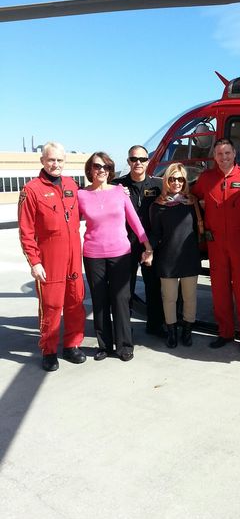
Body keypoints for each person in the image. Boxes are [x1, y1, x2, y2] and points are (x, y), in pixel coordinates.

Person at [78, 152, 153, 362]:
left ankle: (125, 345)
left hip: (120, 253)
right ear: (90, 170)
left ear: (110, 171)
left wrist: (147, 244)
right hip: (93, 254)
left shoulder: (120, 192)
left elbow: (135, 221)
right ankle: (105, 346)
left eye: (106, 167)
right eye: (97, 166)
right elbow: (70, 222)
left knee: (121, 299)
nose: (101, 170)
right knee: (100, 300)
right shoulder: (81, 195)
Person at [18, 141, 86, 372]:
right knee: (51, 305)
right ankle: (48, 350)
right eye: (51, 160)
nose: (55, 164)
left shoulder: (72, 185)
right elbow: (26, 231)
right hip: (49, 258)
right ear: (43, 161)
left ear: (65, 162)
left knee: (75, 302)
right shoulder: (31, 190)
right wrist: (34, 262)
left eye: (59, 160)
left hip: (74, 256)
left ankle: (72, 345)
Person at [193, 138, 240, 354]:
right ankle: (224, 332)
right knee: (220, 290)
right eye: (219, 154)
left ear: (234, 154)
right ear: (214, 157)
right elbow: (192, 197)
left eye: (227, 153)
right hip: (216, 245)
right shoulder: (206, 178)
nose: (224, 158)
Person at [113, 145, 165, 338]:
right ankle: (124, 329)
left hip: (150, 246)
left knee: (154, 287)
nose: (138, 163)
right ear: (128, 161)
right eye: (134, 159)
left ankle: (155, 325)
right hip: (124, 246)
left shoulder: (158, 185)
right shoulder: (116, 185)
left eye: (142, 159)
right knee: (125, 290)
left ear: (148, 161)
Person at [149, 163, 201, 348]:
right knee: (169, 298)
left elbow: (198, 229)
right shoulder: (158, 206)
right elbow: (155, 233)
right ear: (166, 181)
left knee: (190, 297)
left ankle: (187, 331)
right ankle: (171, 331)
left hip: (189, 256)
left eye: (180, 179)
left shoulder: (192, 203)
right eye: (172, 179)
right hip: (167, 259)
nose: (177, 182)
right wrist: (148, 250)